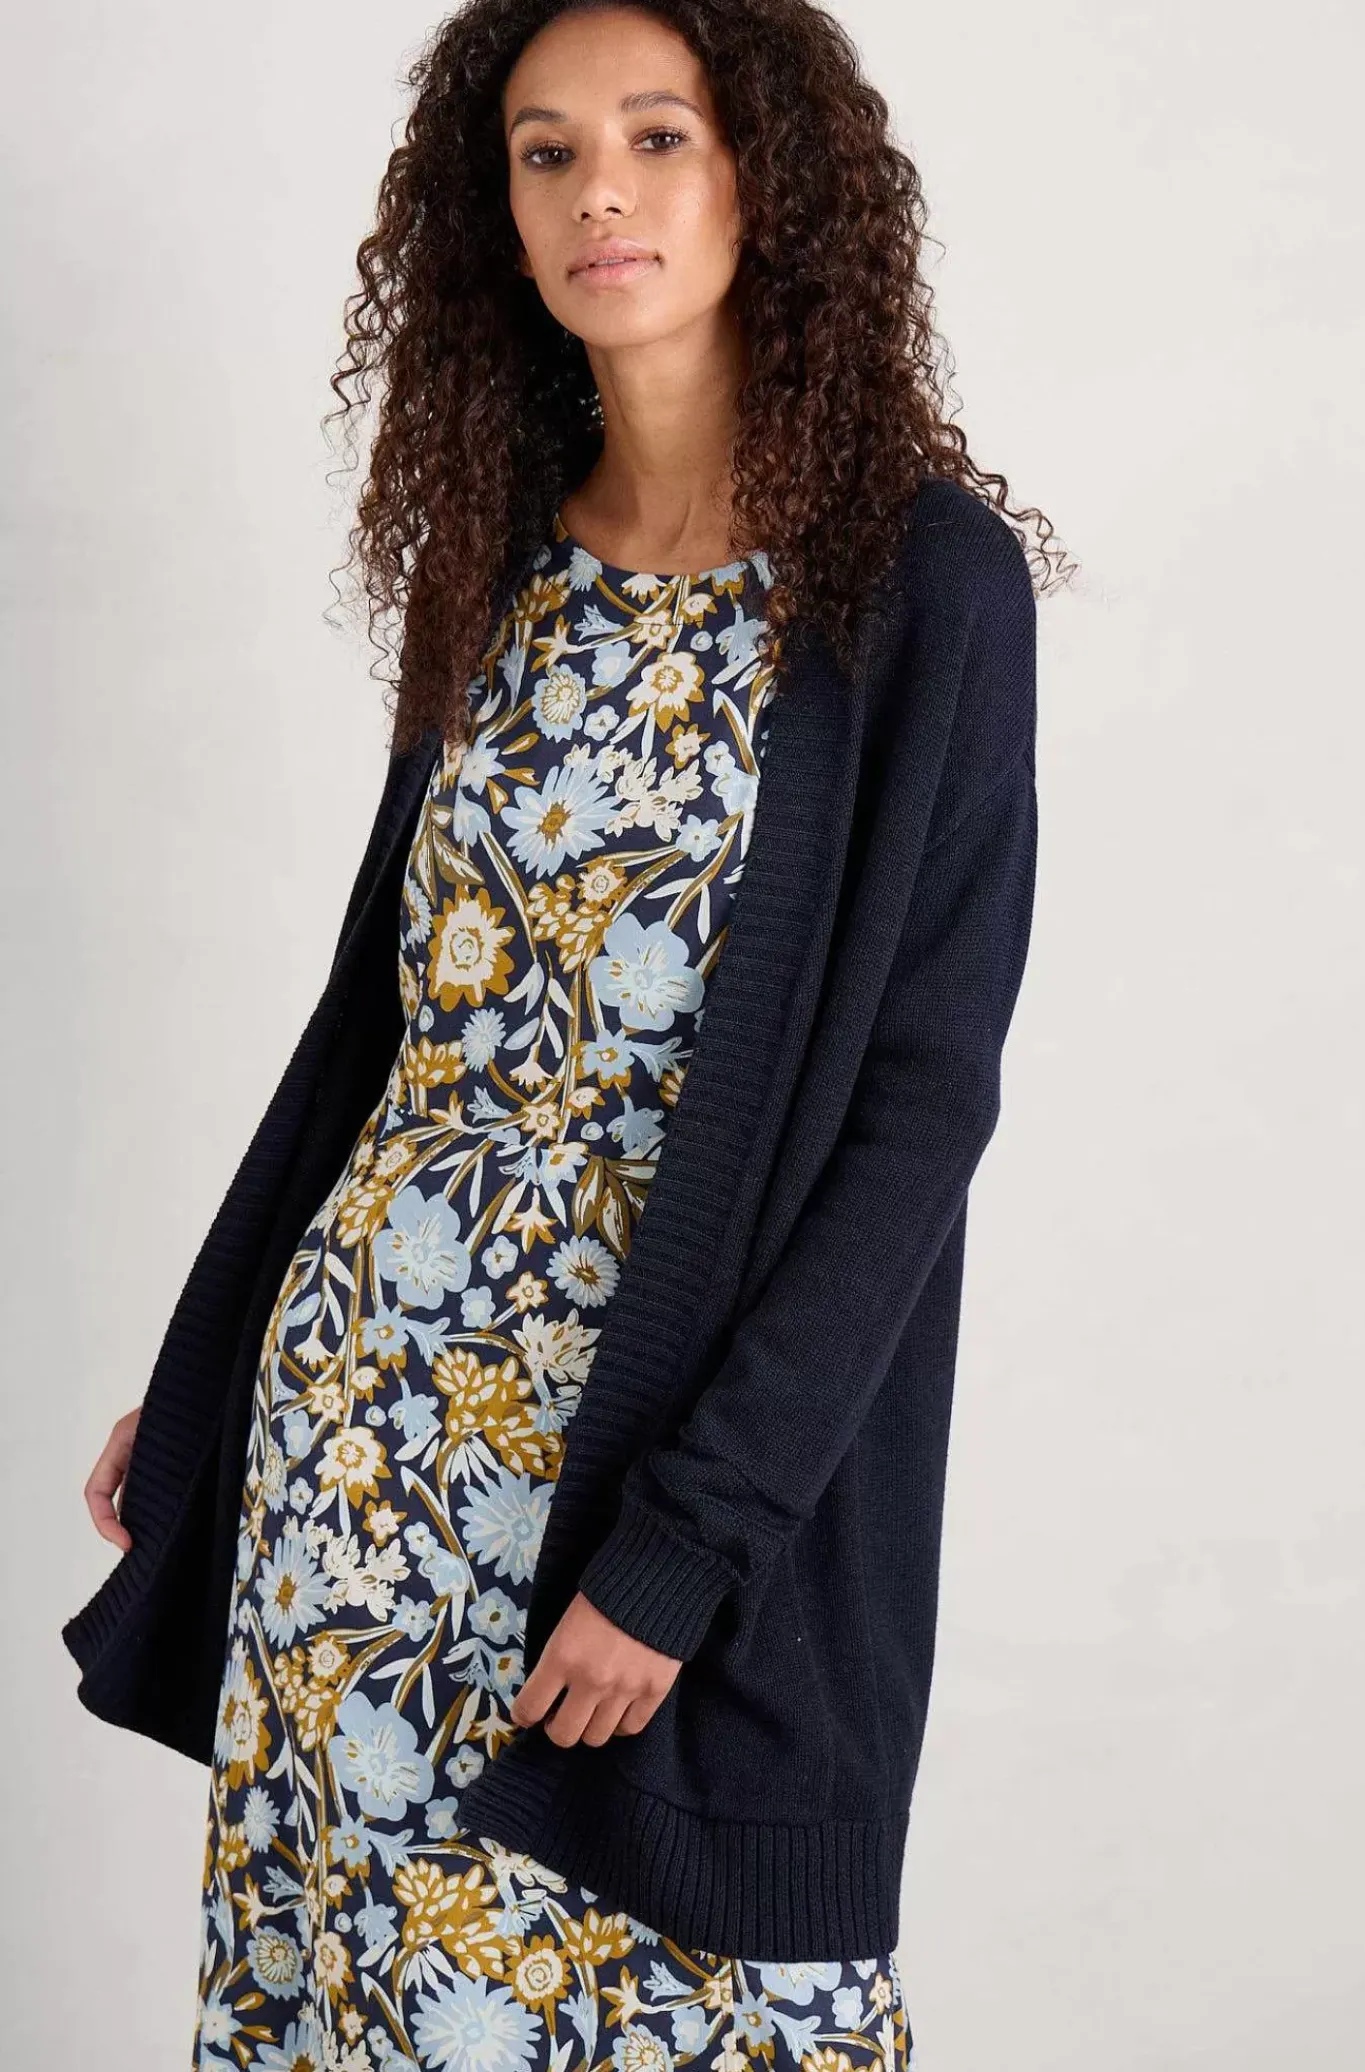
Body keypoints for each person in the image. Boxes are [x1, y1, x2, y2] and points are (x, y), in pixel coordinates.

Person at [68, 3, 1073, 2065]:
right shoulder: (497, 564)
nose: (599, 191)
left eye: (656, 135)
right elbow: (381, 1028)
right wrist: (210, 1377)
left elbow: (918, 1111)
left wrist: (688, 1546)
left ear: (770, 174)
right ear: (500, 214)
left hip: (637, 1493)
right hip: (362, 1457)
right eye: (544, 152)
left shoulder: (922, 590)